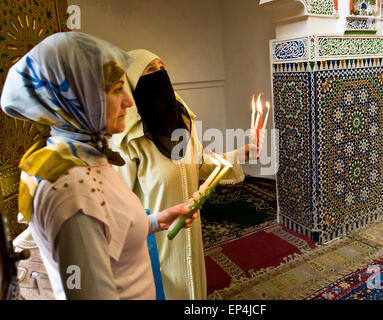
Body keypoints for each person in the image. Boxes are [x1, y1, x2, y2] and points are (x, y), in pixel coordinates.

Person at [0, 33, 195, 300]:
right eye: (116, 90)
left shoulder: (85, 156)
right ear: (78, 100)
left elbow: (103, 230)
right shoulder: (69, 189)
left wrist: (153, 222)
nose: (128, 100)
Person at [111, 49, 255, 300]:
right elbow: (119, 205)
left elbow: (197, 166)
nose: (160, 74)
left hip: (190, 232)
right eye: (151, 70)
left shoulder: (182, 122)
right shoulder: (129, 140)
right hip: (155, 244)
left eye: (163, 68)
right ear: (134, 81)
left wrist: (238, 155)